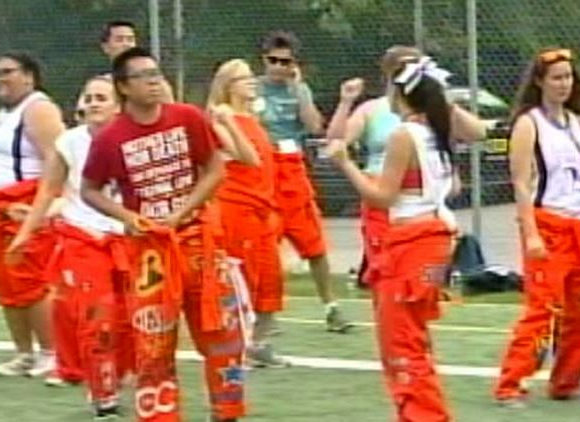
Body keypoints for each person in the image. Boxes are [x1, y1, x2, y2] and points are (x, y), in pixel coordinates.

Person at [81, 46, 246, 422]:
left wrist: (181, 213)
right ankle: (160, 414)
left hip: (198, 241)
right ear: (124, 87)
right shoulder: (110, 138)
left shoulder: (187, 118)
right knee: (153, 343)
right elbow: (89, 189)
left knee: (223, 331)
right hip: (148, 253)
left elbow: (215, 170)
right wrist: (127, 216)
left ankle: (227, 410)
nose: (154, 82)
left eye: (156, 73)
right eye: (143, 76)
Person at [327, 55, 459, 421]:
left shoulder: (405, 135)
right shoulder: (438, 132)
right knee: (415, 335)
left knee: (400, 345)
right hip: (435, 239)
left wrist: (346, 165)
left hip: (410, 243)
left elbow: (382, 197)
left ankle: (424, 414)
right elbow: (451, 185)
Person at [493, 47, 580, 407]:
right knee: (541, 310)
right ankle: (511, 383)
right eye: (557, 78)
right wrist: (530, 233)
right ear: (539, 82)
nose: (564, 84)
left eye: (568, 77)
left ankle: (567, 382)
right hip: (549, 225)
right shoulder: (528, 123)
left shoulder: (579, 123)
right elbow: (520, 183)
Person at [7, 75, 127, 418]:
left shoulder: (133, 139)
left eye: (101, 97)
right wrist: (26, 232)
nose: (92, 103)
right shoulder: (69, 142)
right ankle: (103, 394)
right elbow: (49, 191)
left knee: (129, 319)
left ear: (119, 106)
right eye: (87, 97)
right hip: (83, 239)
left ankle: (124, 375)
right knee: (96, 316)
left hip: (127, 237)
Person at [326, 45, 485, 287]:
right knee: (392, 283)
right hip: (382, 193)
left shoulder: (429, 115)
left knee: (415, 287)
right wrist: (346, 102)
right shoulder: (374, 109)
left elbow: (477, 132)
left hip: (417, 203)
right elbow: (337, 140)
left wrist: (441, 100)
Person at [0, 51, 65, 377]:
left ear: (29, 76)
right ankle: (24, 352)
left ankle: (52, 351)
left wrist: (41, 209)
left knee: (32, 282)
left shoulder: (38, 108)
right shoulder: (3, 113)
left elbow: (57, 160)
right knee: (5, 281)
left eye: (7, 72)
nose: (0, 79)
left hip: (24, 205)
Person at [256, 30, 352, 333]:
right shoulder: (252, 90)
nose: (279, 67)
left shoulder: (299, 89)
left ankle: (331, 306)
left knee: (314, 243)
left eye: (286, 62)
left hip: (293, 169)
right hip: (261, 169)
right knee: (264, 247)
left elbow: (314, 126)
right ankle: (263, 314)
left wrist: (298, 88)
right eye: (273, 61)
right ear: (264, 60)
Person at [207, 58, 288, 367]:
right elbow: (249, 158)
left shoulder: (252, 117)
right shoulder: (220, 119)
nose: (252, 82)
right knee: (241, 279)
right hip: (235, 207)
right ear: (228, 86)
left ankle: (257, 342)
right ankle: (235, 343)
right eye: (243, 79)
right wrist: (228, 122)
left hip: (261, 207)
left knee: (270, 278)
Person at [99, 19, 174, 104]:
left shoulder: (156, 83)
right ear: (105, 47)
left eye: (130, 39)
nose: (126, 44)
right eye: (119, 40)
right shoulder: (100, 84)